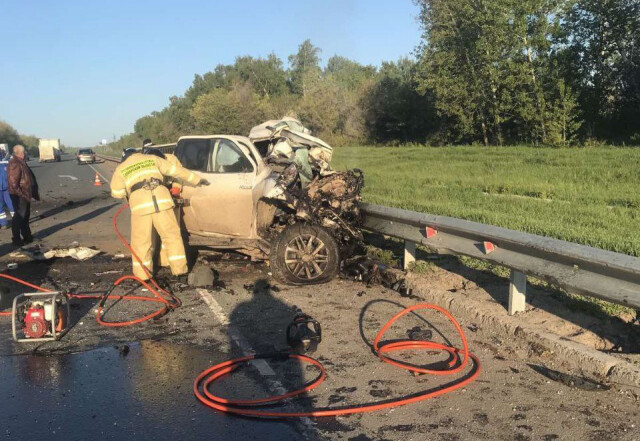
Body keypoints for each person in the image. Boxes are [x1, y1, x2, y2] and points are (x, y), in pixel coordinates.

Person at [110, 149, 208, 280]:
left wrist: (128, 190)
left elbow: (117, 193)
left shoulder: (121, 168)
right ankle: (180, 270)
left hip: (140, 206)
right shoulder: (151, 158)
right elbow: (176, 171)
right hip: (162, 200)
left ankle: (143, 276)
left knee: (141, 241)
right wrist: (197, 180)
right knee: (172, 236)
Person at [8, 145, 39, 246]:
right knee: (19, 217)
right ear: (21, 153)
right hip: (20, 195)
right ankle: (16, 238)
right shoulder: (15, 163)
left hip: (25, 194)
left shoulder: (21, 161)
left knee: (25, 216)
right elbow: (13, 183)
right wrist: (22, 194)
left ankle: (27, 236)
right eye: (24, 152)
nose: (25, 153)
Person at [0, 156, 15, 229]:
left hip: (7, 188)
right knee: (0, 206)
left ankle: (16, 220)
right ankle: (3, 223)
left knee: (11, 204)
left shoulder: (7, 162)